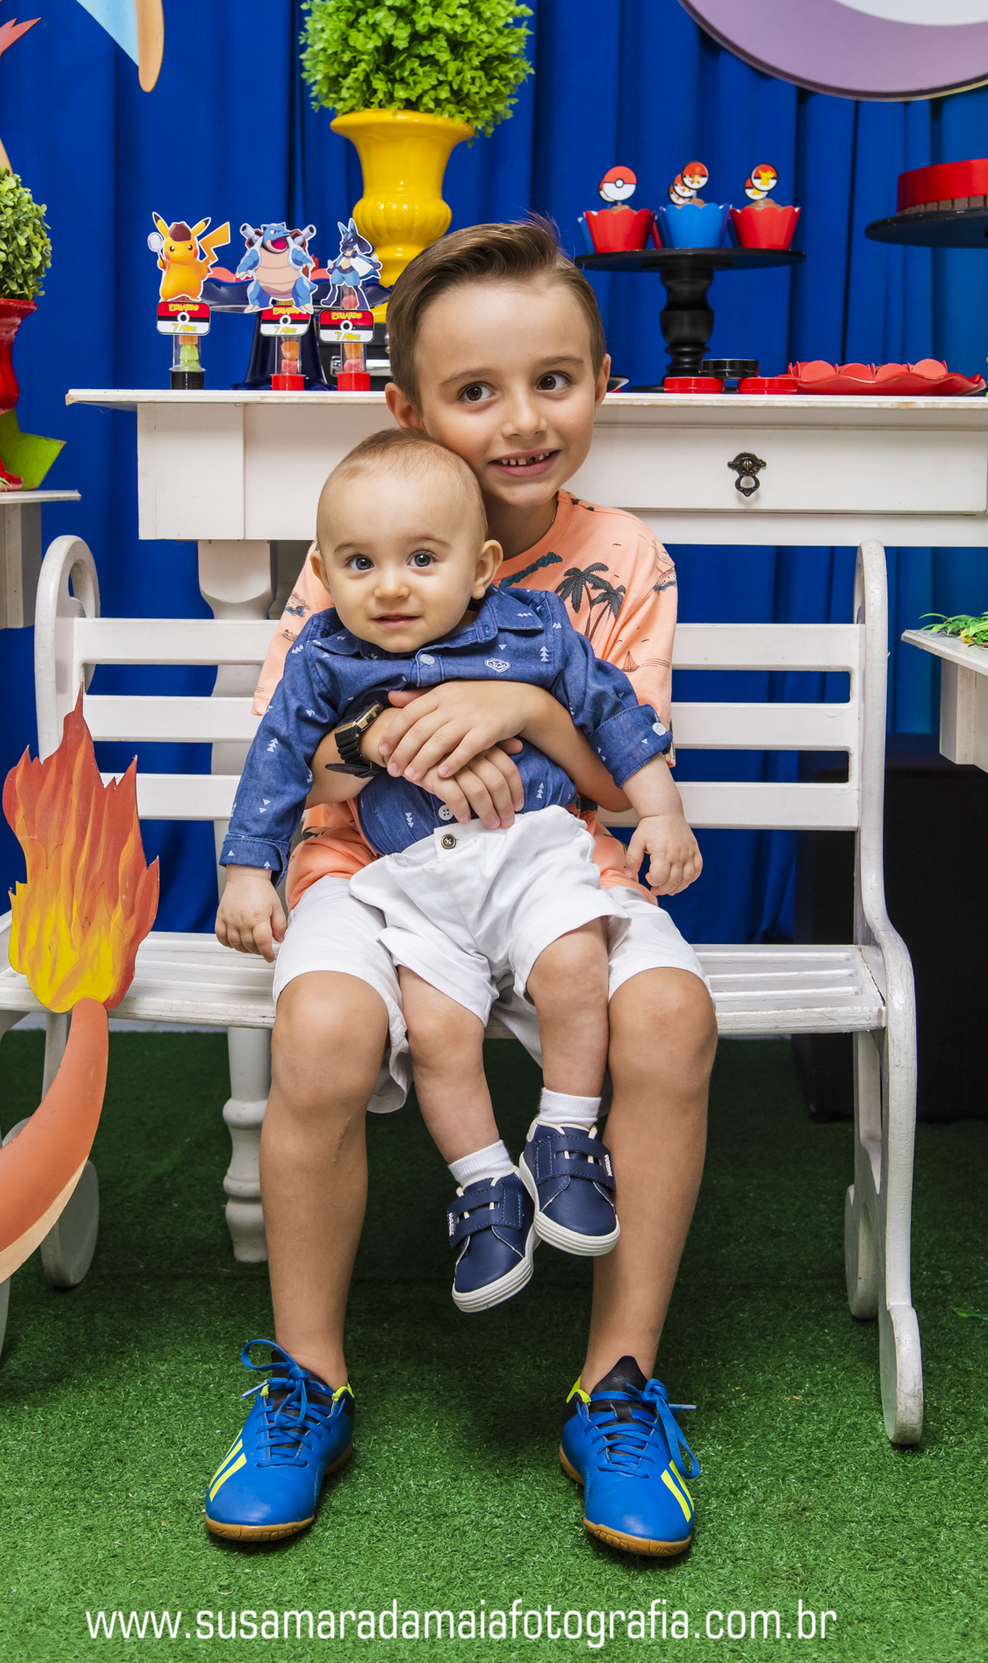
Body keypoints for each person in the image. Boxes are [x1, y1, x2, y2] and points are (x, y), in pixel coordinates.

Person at [205, 220, 717, 1559]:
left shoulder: (623, 558)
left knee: (671, 1015)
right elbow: (294, 754)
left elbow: (622, 778)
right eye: (476, 391)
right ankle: (308, 1381)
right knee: (324, 1034)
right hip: (367, 865)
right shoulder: (362, 542)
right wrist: (388, 736)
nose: (522, 420)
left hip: (557, 864)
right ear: (409, 407)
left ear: (602, 382)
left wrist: (524, 708)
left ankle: (616, 1385)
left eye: (554, 380)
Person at [216, 432, 701, 1317]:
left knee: (574, 964)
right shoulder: (324, 658)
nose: (389, 587)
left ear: (480, 569)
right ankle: (487, 1186)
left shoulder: (536, 630)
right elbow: (277, 763)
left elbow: (618, 717)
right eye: (359, 564)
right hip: (410, 881)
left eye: (421, 560)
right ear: (324, 571)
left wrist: (661, 813)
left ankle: (564, 1137)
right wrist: (249, 871)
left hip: (531, 856)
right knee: (438, 1032)